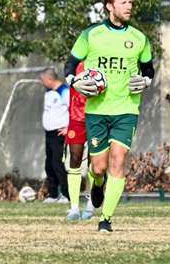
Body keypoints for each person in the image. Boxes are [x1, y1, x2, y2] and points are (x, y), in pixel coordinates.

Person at [64, 0, 154, 233]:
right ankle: (97, 184)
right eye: (124, 2)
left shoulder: (139, 38)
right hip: (96, 111)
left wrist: (146, 82)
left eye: (131, 2)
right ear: (109, 6)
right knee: (98, 167)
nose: (129, 6)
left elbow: (149, 70)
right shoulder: (91, 35)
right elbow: (69, 67)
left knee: (118, 161)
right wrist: (76, 83)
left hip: (126, 110)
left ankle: (106, 220)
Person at [64, 61, 96, 221]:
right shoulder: (75, 63)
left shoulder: (101, 61)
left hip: (96, 115)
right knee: (74, 159)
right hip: (76, 117)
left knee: (94, 162)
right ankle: (74, 207)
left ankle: (92, 204)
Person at [40, 67, 70, 204]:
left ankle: (66, 194)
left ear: (50, 79)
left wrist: (68, 128)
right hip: (49, 134)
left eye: (42, 80)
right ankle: (53, 195)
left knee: (58, 163)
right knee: (49, 164)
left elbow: (74, 110)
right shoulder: (48, 91)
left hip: (59, 133)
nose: (42, 83)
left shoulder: (64, 91)